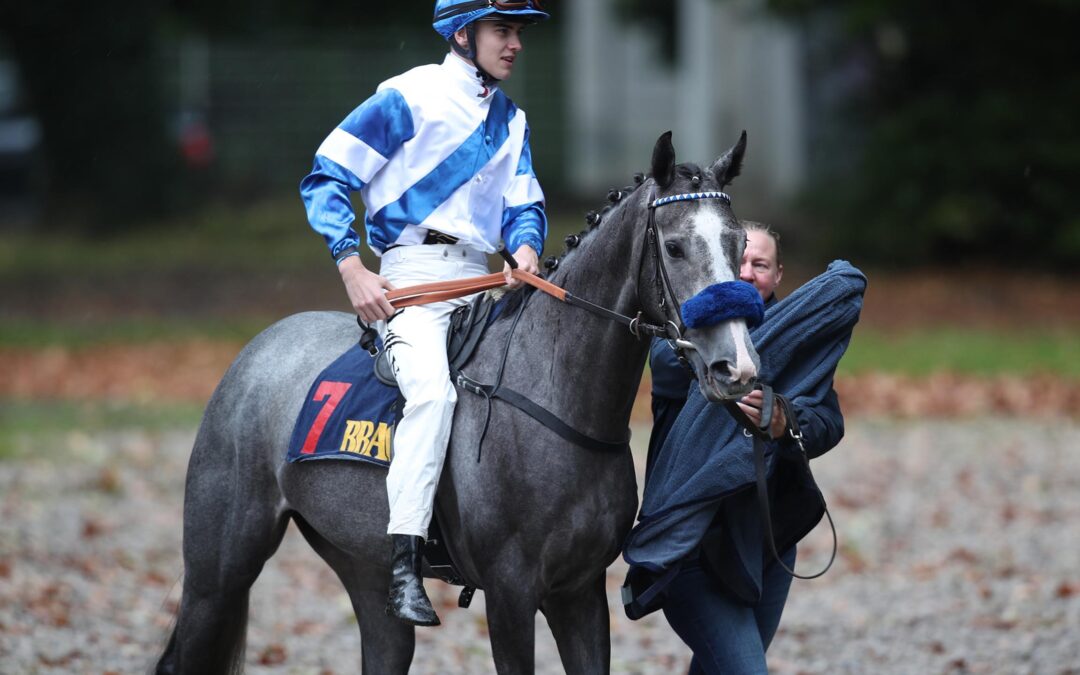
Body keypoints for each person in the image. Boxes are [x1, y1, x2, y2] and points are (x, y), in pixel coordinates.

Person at [299, 0, 549, 627]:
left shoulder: (513, 120)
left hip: (485, 281)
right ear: (463, 34)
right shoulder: (407, 96)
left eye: (518, 32)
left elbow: (525, 204)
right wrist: (351, 266)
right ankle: (405, 562)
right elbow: (327, 177)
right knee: (433, 397)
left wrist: (525, 248)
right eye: (502, 30)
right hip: (413, 279)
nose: (514, 44)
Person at [646, 221, 846, 673]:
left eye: (761, 264)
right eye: (738, 262)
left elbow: (829, 423)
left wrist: (785, 421)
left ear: (778, 275)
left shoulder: (800, 339)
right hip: (693, 543)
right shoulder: (681, 333)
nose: (747, 273)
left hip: (771, 540)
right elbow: (670, 372)